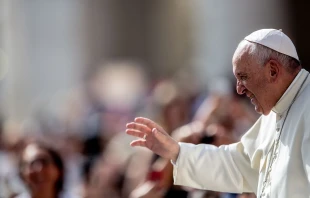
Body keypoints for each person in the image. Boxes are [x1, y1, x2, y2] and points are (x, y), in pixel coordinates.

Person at [126, 29, 310, 197]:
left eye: (243, 77)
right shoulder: (273, 115)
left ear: (272, 71)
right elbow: (237, 165)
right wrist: (177, 151)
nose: (238, 90)